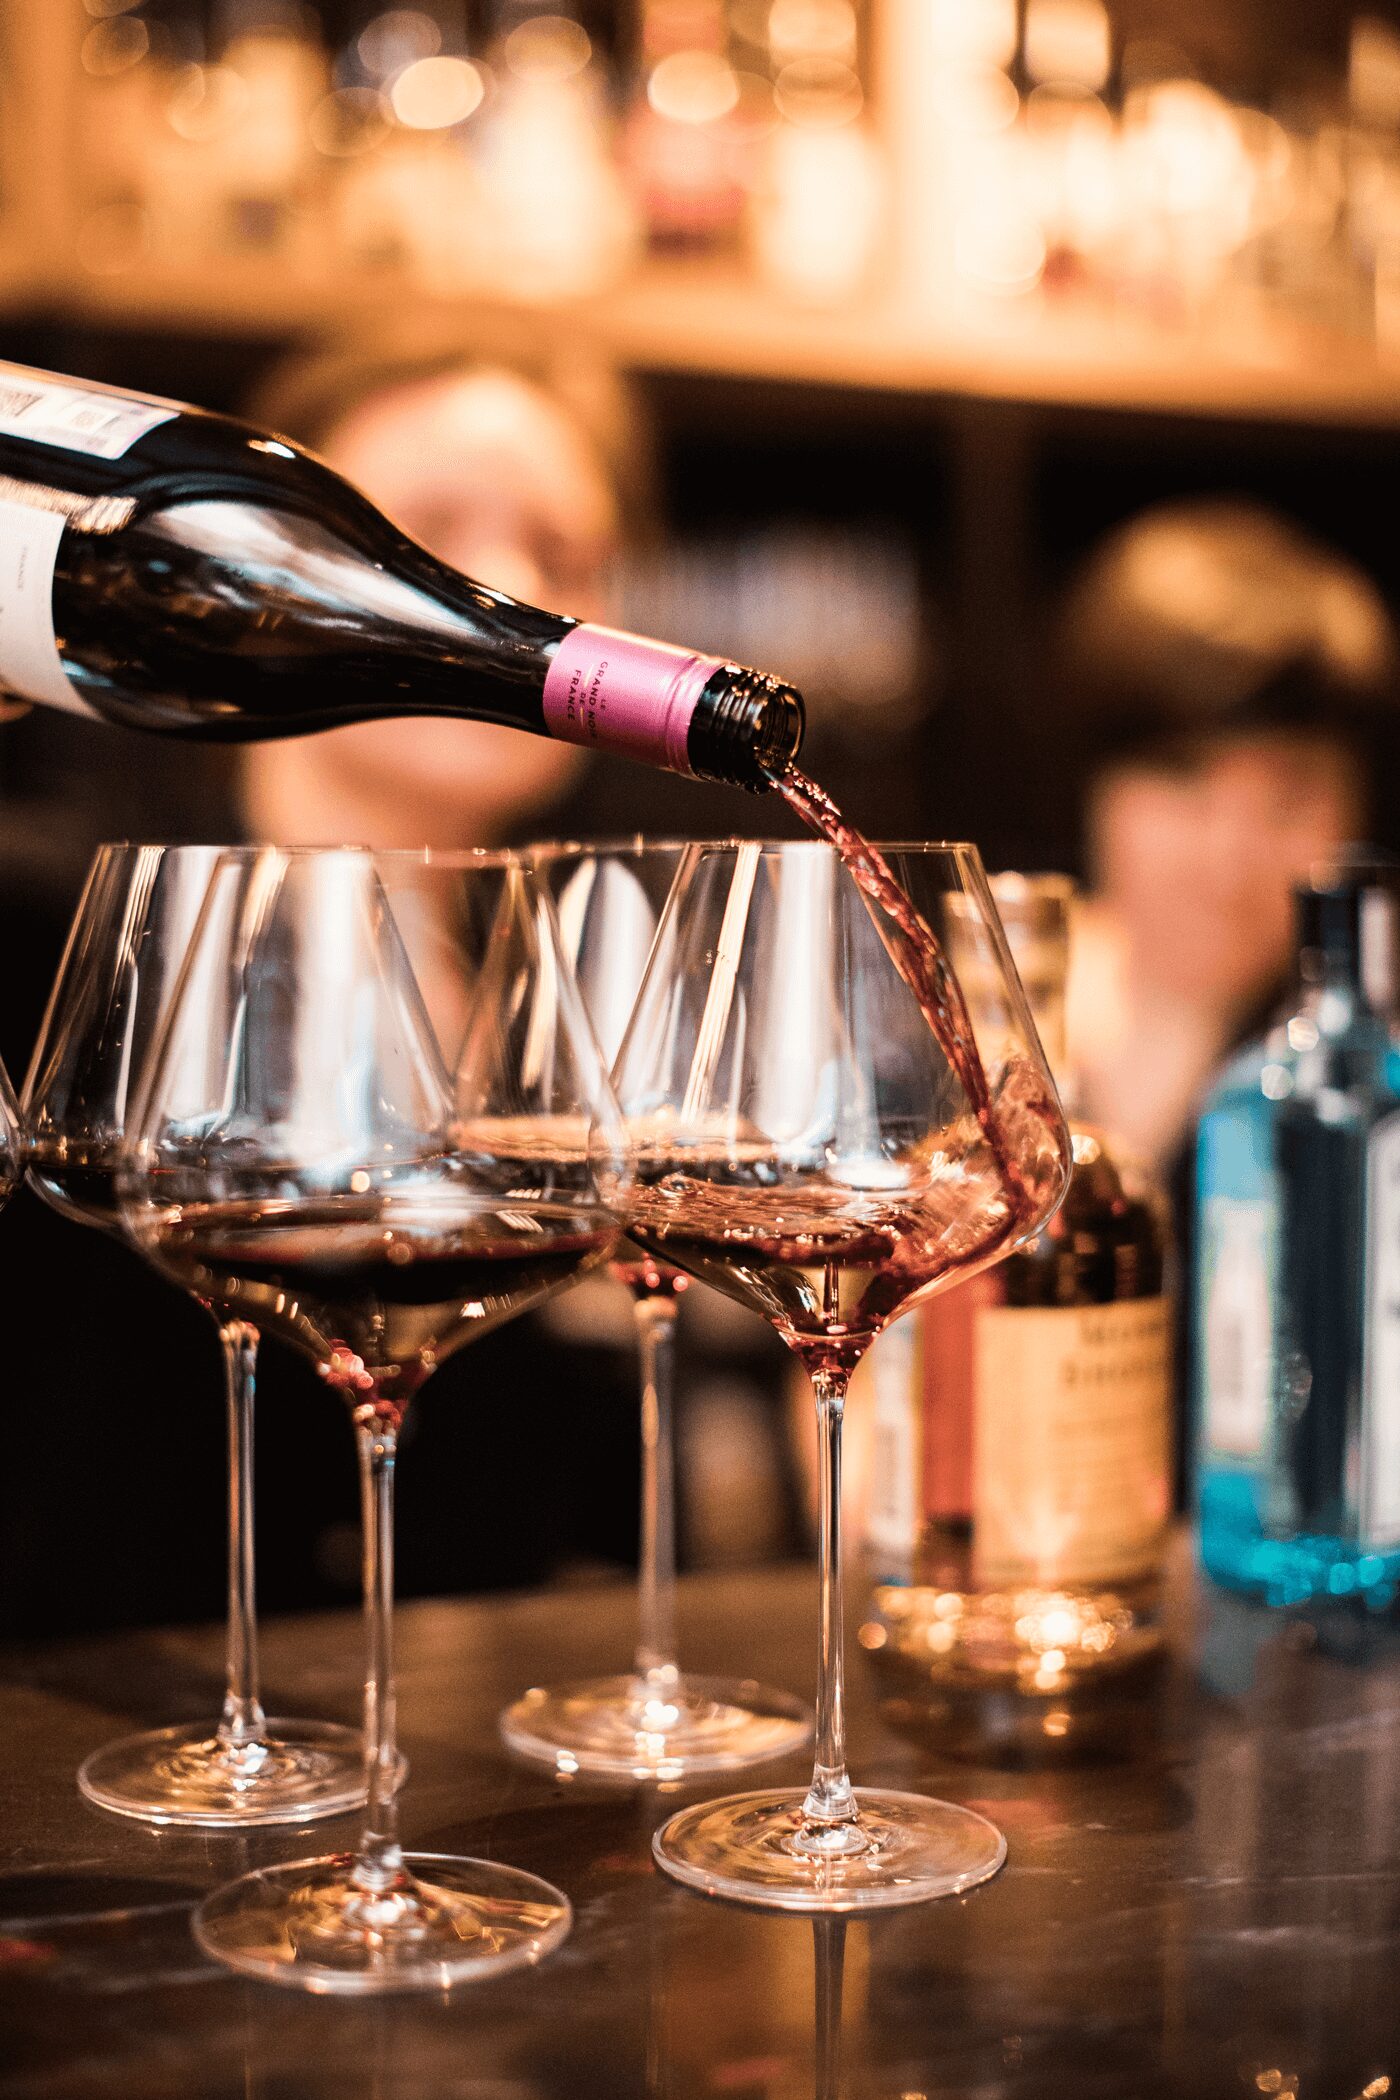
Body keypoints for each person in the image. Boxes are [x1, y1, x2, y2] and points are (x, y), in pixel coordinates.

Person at [1057, 499, 1400, 1176]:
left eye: (1290, 797)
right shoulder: (965, 1037)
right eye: (1185, 782)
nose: (1230, 857)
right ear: (1093, 789)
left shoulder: (1371, 1089)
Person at [238, 323, 651, 850]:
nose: (512, 589)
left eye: (562, 560)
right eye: (424, 538)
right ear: (257, 573)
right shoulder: (118, 916)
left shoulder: (626, 920)